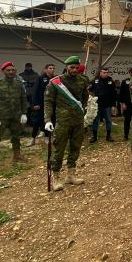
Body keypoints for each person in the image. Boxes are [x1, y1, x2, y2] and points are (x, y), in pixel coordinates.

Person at [43, 56, 89, 190]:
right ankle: (56, 177)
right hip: (62, 121)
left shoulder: (82, 81)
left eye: (76, 67)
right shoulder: (56, 82)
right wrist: (47, 120)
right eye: (71, 67)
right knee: (59, 149)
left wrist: (83, 111)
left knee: (75, 147)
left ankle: (71, 174)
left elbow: (85, 97)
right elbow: (48, 102)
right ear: (66, 67)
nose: (74, 70)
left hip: (78, 121)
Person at [0, 62, 28, 167]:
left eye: (12, 70)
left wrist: (24, 113)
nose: (11, 72)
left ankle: (17, 154)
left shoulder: (19, 84)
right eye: (8, 70)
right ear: (3, 71)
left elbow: (23, 99)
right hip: (1, 116)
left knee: (16, 135)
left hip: (15, 115)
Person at [89, 66, 116, 142]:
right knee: (95, 120)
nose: (105, 74)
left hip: (107, 104)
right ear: (100, 73)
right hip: (97, 104)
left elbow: (114, 94)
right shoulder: (96, 80)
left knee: (108, 120)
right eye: (104, 72)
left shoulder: (111, 81)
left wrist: (114, 105)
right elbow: (90, 90)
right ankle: (94, 136)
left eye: (107, 73)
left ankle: (108, 135)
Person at [30, 63, 55, 144]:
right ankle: (33, 138)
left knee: (48, 120)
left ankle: (47, 137)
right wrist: (34, 104)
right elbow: (35, 91)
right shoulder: (40, 78)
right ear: (45, 69)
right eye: (50, 68)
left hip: (50, 104)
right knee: (37, 122)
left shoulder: (55, 79)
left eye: (53, 68)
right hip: (40, 103)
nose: (52, 70)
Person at [119, 67, 132, 141]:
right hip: (128, 104)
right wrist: (123, 103)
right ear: (130, 73)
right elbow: (121, 93)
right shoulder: (125, 81)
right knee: (127, 120)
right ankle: (126, 135)